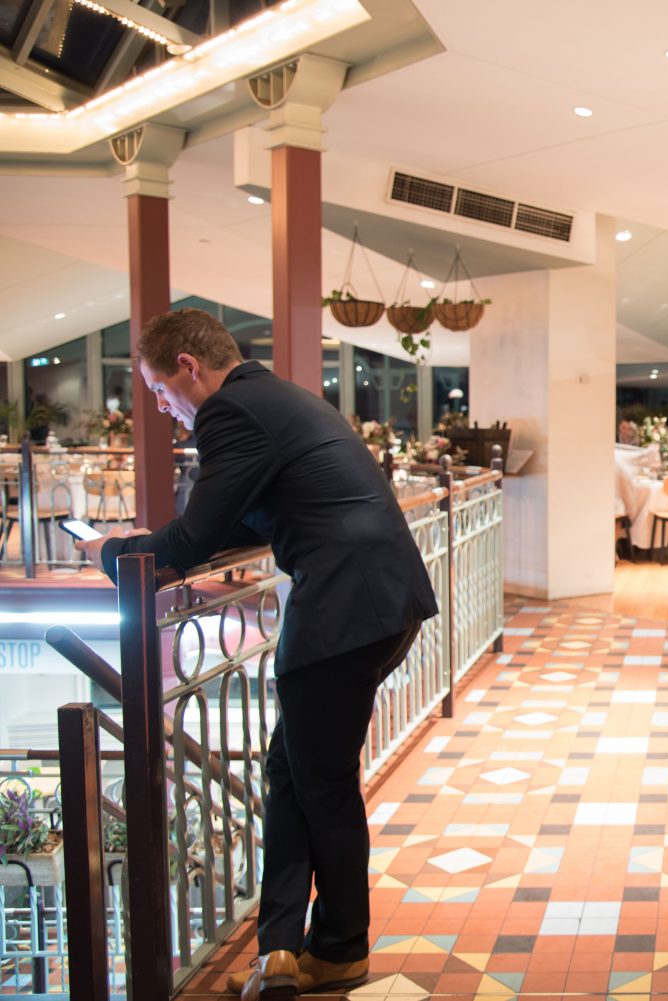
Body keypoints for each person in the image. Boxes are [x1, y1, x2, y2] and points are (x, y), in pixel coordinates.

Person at [74, 308, 438, 1000]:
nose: (161, 408)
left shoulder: (230, 412)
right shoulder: (271, 396)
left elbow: (191, 541)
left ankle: (338, 950)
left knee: (319, 783)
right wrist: (165, 538)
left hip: (343, 611)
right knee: (295, 770)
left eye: (160, 391)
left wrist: (108, 551)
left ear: (188, 366)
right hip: (379, 601)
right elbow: (229, 522)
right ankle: (282, 950)